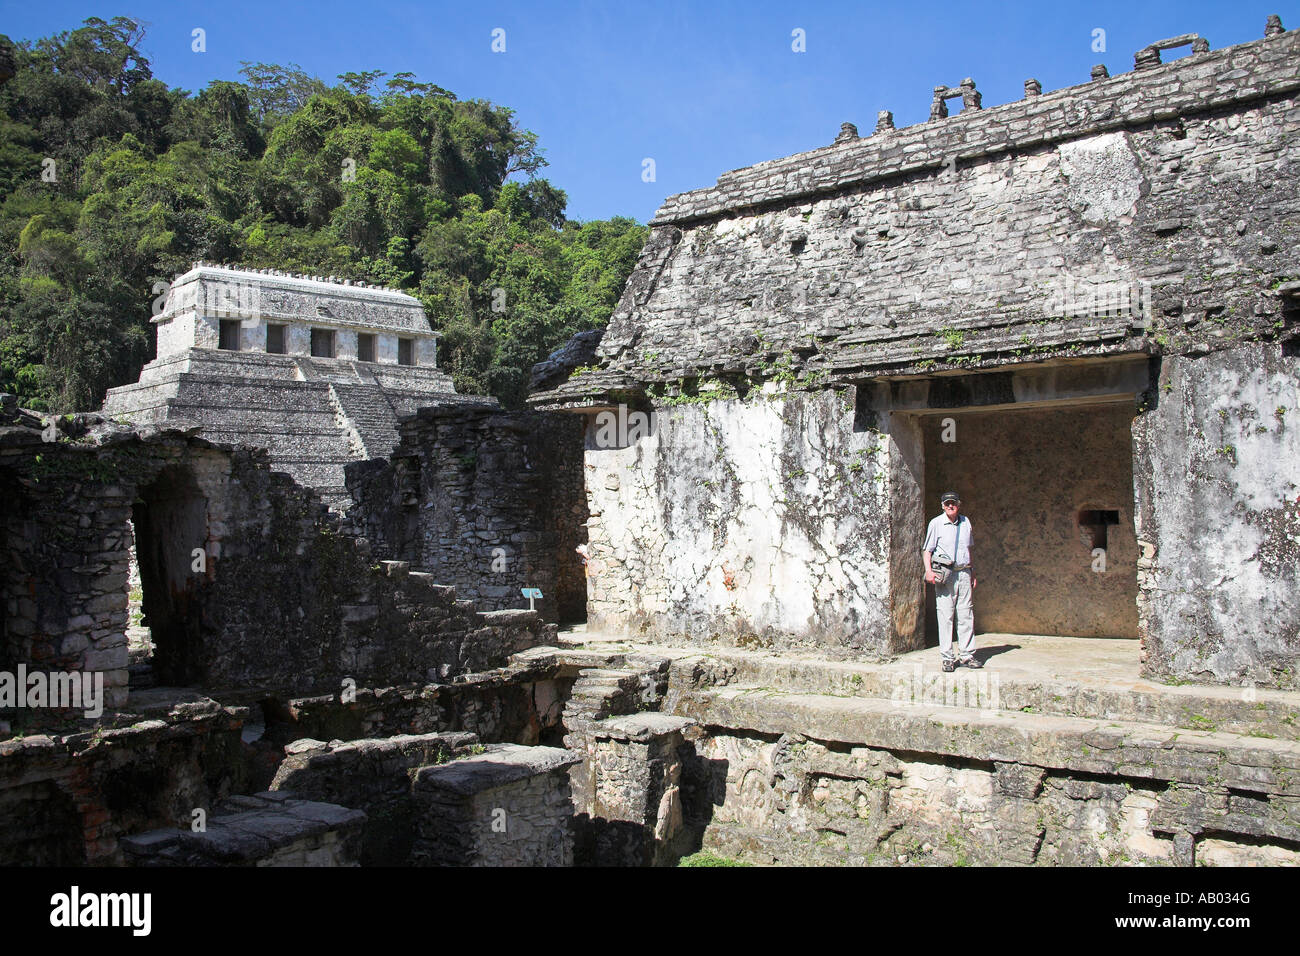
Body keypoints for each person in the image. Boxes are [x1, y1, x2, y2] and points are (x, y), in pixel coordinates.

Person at [922, 491, 981, 672]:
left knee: (965, 614)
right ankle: (947, 657)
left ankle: (967, 655)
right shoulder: (936, 523)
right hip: (945, 574)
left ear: (958, 504)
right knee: (945, 615)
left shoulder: (966, 522)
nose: (950, 506)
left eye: (953, 503)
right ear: (942, 505)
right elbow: (927, 550)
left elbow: (968, 548)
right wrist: (928, 571)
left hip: (963, 572)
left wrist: (972, 572)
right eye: (947, 503)